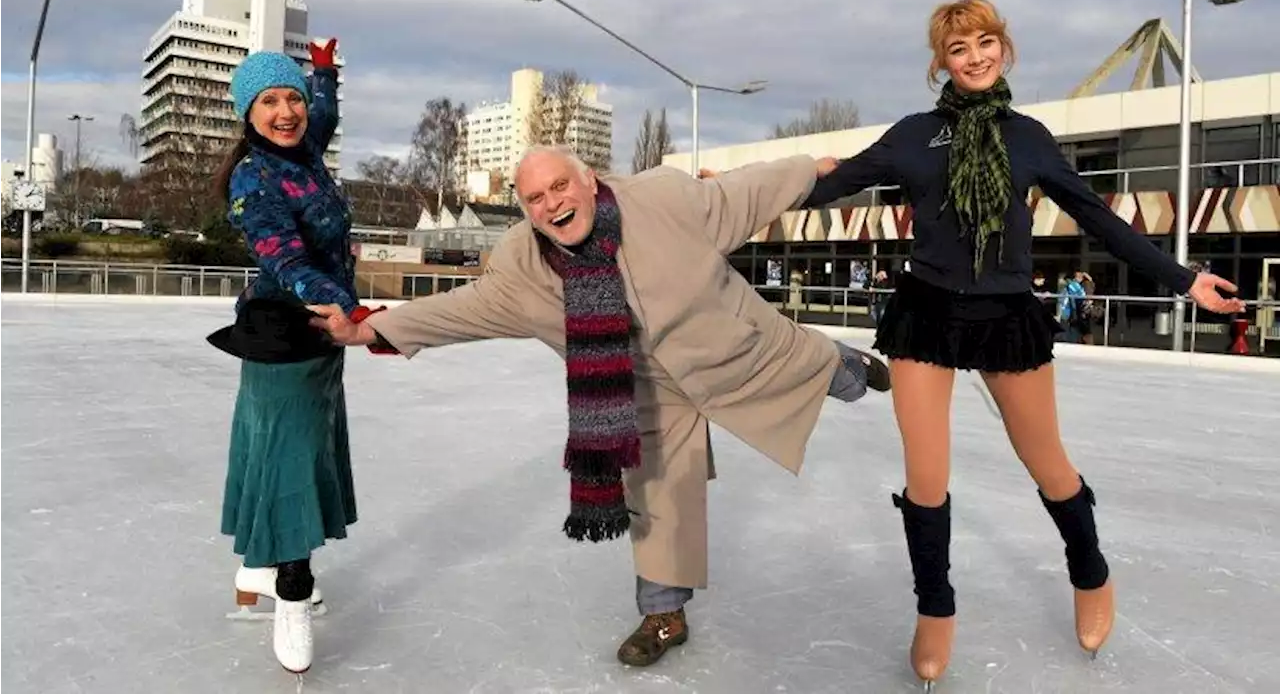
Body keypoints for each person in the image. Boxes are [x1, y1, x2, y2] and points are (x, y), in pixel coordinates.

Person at [800, 0, 1245, 690]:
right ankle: (935, 606)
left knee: (1048, 463)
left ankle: (1090, 569)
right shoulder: (914, 135)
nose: (974, 56)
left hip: (1006, 314)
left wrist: (1186, 280)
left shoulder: (1029, 137)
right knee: (926, 475)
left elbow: (1102, 222)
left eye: (984, 42)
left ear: (1003, 48)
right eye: (958, 48)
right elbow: (828, 186)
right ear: (939, 62)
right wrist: (731, 192)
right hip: (926, 313)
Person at [309, 144, 892, 668]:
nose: (552, 204)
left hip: (729, 345)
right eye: (535, 198)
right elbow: (461, 310)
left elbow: (741, 191)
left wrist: (806, 170)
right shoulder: (521, 270)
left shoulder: (663, 199)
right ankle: (664, 614)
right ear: (525, 211)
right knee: (656, 490)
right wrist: (369, 330)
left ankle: (843, 364)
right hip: (640, 390)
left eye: (560, 186)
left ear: (589, 180)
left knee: (819, 372)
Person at [207, 39, 392, 675]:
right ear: (246, 113)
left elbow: (323, 115)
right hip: (285, 334)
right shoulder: (253, 177)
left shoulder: (305, 153)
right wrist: (347, 304)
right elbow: (285, 259)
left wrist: (322, 74)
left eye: (291, 98)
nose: (286, 111)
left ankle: (258, 565)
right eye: (269, 101)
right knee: (289, 462)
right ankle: (288, 593)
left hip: (320, 337)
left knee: (299, 454)